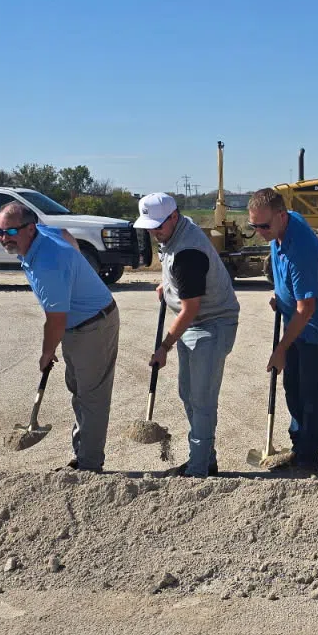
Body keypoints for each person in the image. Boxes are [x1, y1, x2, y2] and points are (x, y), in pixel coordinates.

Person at [0, 201, 120, 473]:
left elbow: (55, 320)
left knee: (91, 397)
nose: (4, 238)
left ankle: (88, 465)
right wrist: (75, 270)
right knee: (79, 392)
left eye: (10, 233)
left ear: (30, 229)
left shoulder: (48, 264)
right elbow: (64, 233)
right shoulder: (42, 236)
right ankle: (83, 456)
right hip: (77, 325)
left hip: (93, 325)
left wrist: (46, 352)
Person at [136, 192, 241, 478]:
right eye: (149, 226)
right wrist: (167, 286)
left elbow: (191, 308)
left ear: (174, 216)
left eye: (158, 225)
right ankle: (205, 459)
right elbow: (172, 266)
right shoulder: (174, 233)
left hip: (211, 323)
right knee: (188, 393)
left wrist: (164, 347)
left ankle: (198, 470)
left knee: (202, 399)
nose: (154, 231)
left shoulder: (188, 253)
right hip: (194, 323)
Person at [248, 188, 318, 478]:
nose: (260, 232)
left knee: (310, 394)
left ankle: (309, 458)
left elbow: (307, 308)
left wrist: (280, 349)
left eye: (265, 226)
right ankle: (297, 448)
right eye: (254, 226)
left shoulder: (300, 249)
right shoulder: (282, 226)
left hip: (314, 328)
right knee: (292, 389)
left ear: (282, 216)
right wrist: (281, 295)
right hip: (295, 320)